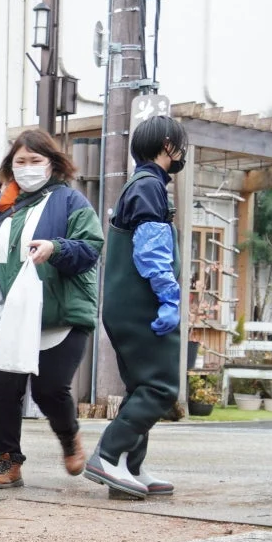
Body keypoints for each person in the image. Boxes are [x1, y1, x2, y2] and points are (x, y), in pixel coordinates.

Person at [0, 129, 103, 489]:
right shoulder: (2, 202)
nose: (28, 168)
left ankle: (69, 439)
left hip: (58, 314)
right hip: (6, 314)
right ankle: (8, 463)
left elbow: (91, 246)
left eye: (36, 161)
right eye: (21, 161)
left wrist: (56, 247)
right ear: (10, 166)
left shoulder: (70, 201)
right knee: (3, 389)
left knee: (50, 389)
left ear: (52, 164)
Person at [85, 115, 187, 499]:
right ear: (166, 144)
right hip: (142, 305)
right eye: (179, 145)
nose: (181, 153)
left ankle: (129, 465)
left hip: (124, 305)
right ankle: (108, 455)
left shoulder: (140, 184)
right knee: (160, 388)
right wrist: (167, 297)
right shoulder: (149, 186)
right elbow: (152, 250)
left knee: (140, 387)